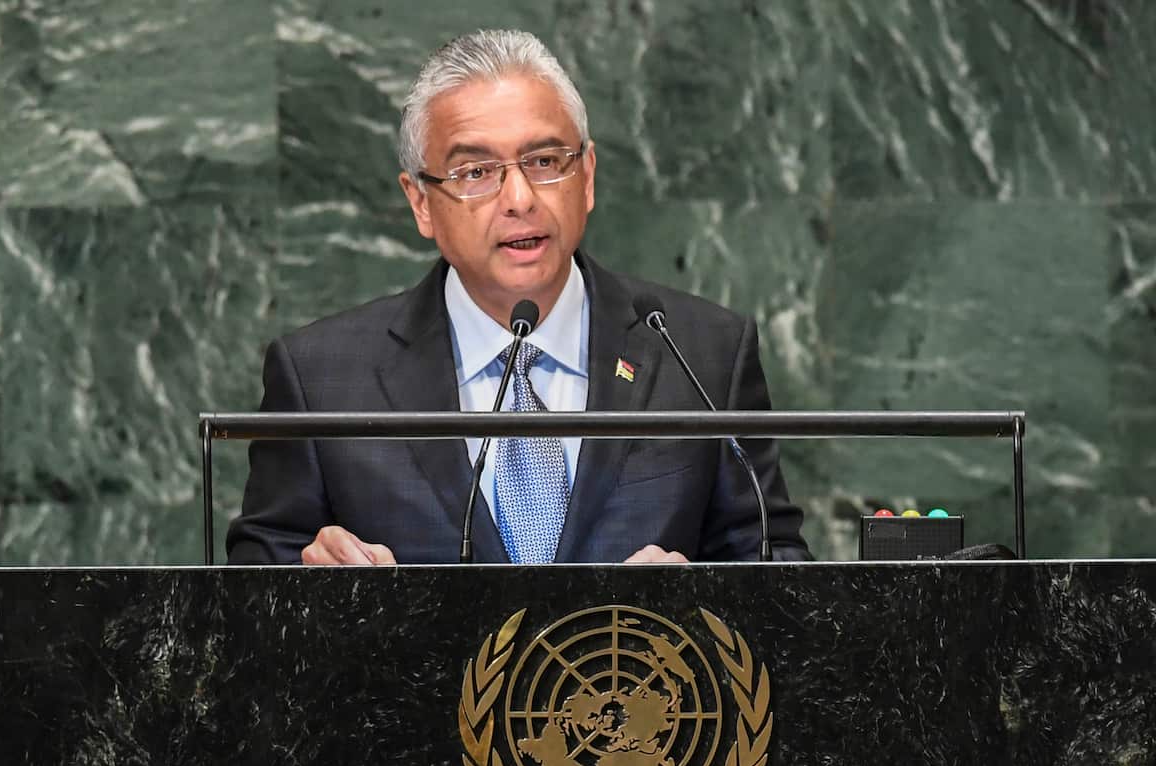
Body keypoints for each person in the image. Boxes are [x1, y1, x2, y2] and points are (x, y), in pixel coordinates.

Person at [227, 29, 810, 566]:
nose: (520, 198)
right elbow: (248, 593)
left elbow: (780, 571)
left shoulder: (703, 354)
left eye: (545, 161)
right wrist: (313, 596)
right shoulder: (321, 380)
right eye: (476, 172)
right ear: (421, 203)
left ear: (587, 176)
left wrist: (701, 604)